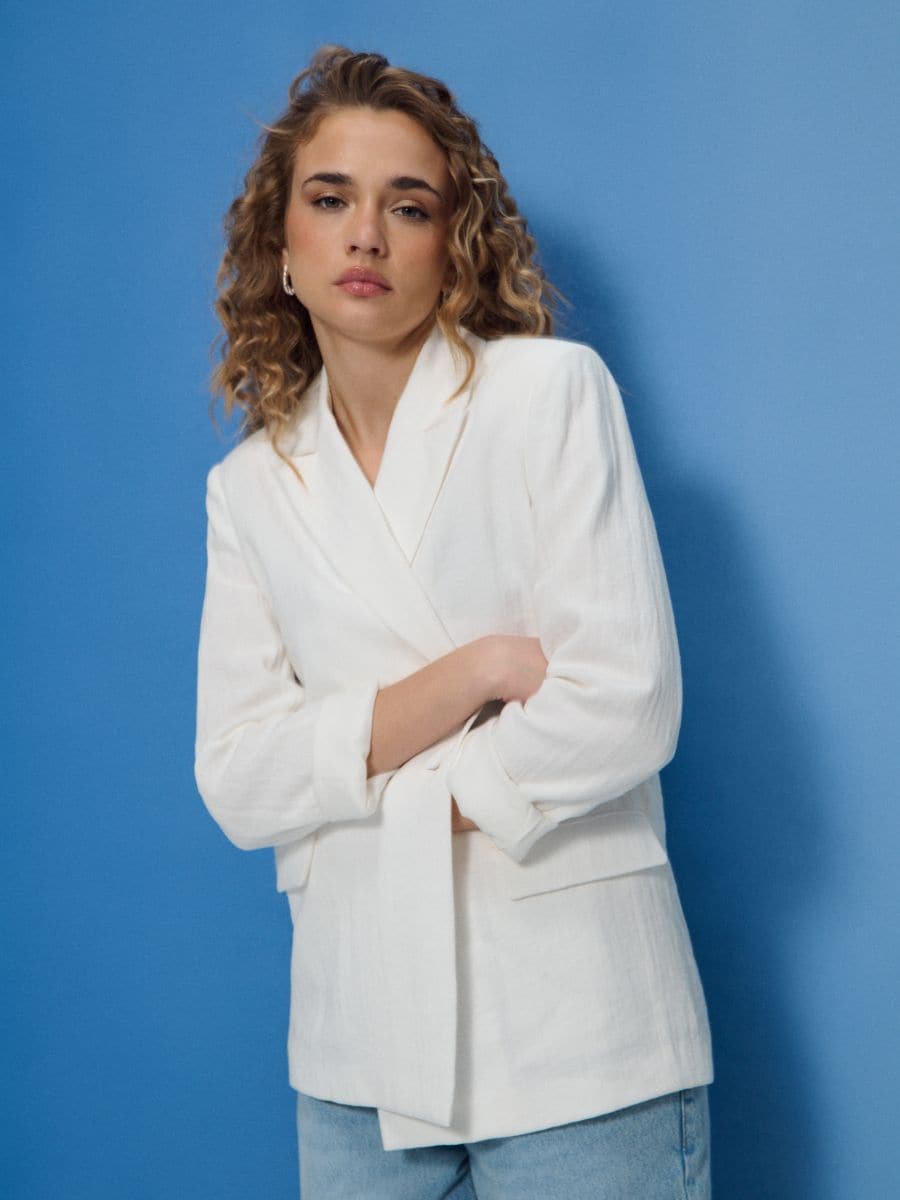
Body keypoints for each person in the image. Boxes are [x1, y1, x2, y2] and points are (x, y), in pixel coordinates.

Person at [194, 45, 714, 1199]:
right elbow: (237, 777)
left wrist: (370, 790)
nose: (365, 236)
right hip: (357, 1047)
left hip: (580, 1036)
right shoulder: (251, 489)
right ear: (281, 247)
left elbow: (626, 703)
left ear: (454, 245)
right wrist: (472, 673)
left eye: (408, 206)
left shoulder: (549, 396)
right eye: (330, 200)